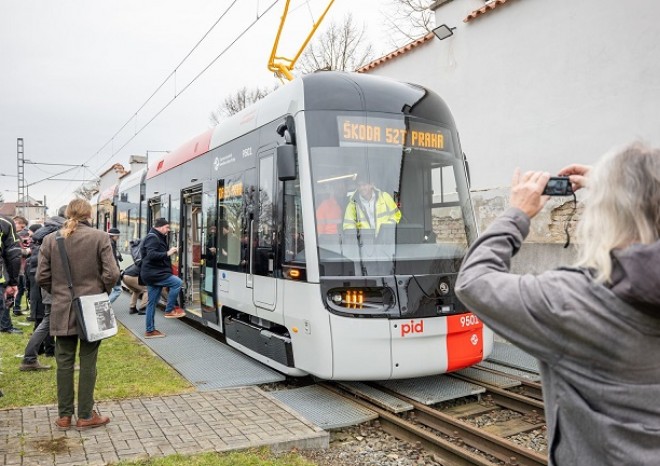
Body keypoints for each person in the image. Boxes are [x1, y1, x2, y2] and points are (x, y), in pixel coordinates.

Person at [455, 142, 660, 465]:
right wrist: (621, 186)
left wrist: (517, 214)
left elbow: (474, 281)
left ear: (603, 216)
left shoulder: (574, 301)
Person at [37, 199, 119, 430]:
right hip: (91, 307)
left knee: (64, 363)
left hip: (62, 308)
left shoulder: (50, 239)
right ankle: (85, 415)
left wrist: (60, 293)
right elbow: (112, 273)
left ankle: (64, 416)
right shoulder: (100, 237)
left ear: (67, 214)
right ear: (89, 214)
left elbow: (41, 277)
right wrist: (101, 291)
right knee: (88, 362)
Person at [19, 208, 67, 371]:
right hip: (53, 285)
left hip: (47, 284)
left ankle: (31, 358)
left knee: (48, 321)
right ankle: (30, 358)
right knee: (48, 321)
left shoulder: (42, 236)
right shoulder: (55, 238)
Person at [139, 217, 185, 339]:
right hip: (155, 274)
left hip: (152, 274)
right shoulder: (152, 237)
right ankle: (169, 310)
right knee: (177, 283)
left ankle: (150, 331)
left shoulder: (155, 236)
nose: (168, 230)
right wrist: (168, 253)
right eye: (167, 227)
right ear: (160, 227)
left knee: (151, 303)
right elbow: (151, 255)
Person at [0, 214, 22, 334]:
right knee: (4, 300)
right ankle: (5, 325)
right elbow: (13, 254)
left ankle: (5, 325)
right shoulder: (5, 222)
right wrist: (13, 281)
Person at [12, 215, 29, 316]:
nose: (23, 230)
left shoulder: (16, 235)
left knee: (20, 289)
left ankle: (16, 308)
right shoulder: (12, 236)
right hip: (16, 268)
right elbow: (16, 252)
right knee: (17, 289)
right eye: (22, 227)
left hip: (19, 267)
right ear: (16, 222)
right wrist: (27, 250)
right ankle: (15, 308)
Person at [107, 228, 123, 303]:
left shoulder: (106, 242)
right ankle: (105, 307)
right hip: (112, 271)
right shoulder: (111, 244)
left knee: (109, 290)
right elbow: (113, 260)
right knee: (118, 290)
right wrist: (117, 272)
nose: (118, 238)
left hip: (107, 271)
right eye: (117, 236)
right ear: (113, 236)